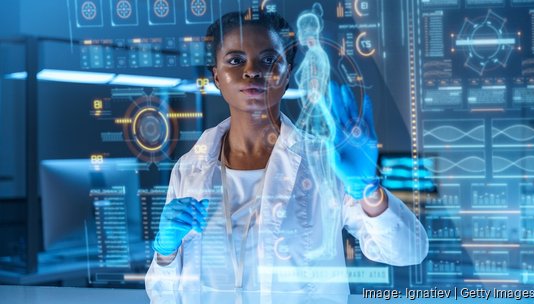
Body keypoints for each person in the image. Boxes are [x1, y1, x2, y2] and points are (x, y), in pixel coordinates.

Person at [145, 10, 428, 297]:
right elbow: (162, 295)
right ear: (216, 76)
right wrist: (166, 253)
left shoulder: (325, 163)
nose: (252, 71)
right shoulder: (189, 168)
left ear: (288, 74)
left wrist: (369, 190)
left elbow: (409, 251)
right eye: (235, 60)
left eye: (269, 60)